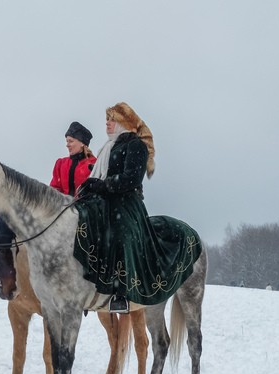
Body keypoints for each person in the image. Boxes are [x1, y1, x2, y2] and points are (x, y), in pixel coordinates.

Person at [73, 102, 201, 313]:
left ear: (124, 123)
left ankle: (122, 292)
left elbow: (131, 179)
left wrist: (103, 185)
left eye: (112, 119)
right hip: (102, 201)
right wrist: (89, 187)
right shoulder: (107, 147)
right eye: (107, 118)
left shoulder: (136, 146)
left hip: (126, 204)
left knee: (122, 233)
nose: (107, 122)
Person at [50, 121, 96, 196]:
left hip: (84, 206)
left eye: (70, 141)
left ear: (82, 143)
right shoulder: (61, 164)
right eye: (67, 141)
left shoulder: (93, 164)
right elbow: (54, 190)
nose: (67, 145)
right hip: (62, 206)